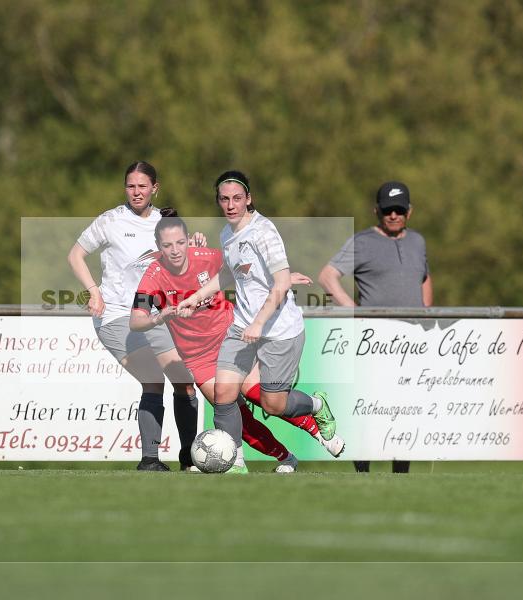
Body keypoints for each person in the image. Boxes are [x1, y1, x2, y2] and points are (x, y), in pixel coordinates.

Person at [130, 209, 346, 473]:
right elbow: (135, 320)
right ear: (158, 247)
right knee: (234, 413)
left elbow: (248, 270)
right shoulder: (153, 275)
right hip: (198, 358)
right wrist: (158, 316)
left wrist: (285, 278)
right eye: (167, 245)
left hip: (229, 339)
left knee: (262, 396)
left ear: (189, 240)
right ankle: (281, 458)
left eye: (180, 243)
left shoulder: (208, 257)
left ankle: (317, 423)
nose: (175, 250)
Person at [177, 171, 342, 459]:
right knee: (223, 395)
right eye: (224, 199)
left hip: (280, 331)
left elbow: (280, 284)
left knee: (273, 404)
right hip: (242, 327)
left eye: (237, 199)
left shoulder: (263, 232)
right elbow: (229, 273)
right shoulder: (227, 233)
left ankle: (316, 406)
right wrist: (195, 298)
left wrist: (258, 323)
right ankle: (233, 463)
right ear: (218, 201)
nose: (230, 205)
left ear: (248, 199)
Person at [68, 161, 202, 472]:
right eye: (131, 186)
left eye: (142, 186)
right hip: (115, 317)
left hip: (153, 317)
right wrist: (93, 291)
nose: (136, 191)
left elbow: (183, 265)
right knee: (153, 379)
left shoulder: (165, 222)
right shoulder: (111, 221)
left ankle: (191, 460)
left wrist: (194, 246)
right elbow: (75, 255)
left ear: (155, 187)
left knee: (185, 384)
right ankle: (150, 461)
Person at [318, 180, 433, 474]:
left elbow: (424, 278)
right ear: (376, 211)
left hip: (411, 342)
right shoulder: (362, 242)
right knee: (369, 408)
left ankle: (401, 473)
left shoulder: (418, 242)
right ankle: (362, 471)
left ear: (409, 211)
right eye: (387, 210)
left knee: (404, 408)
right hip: (374, 341)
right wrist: (353, 311)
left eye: (399, 209)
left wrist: (427, 316)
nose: (393, 215)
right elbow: (328, 276)